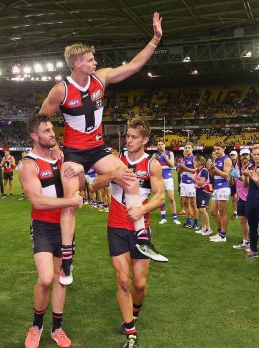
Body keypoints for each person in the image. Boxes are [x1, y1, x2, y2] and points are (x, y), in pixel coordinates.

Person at [38, 13, 164, 284]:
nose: (97, 62)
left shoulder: (101, 78)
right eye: (91, 59)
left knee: (129, 178)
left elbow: (133, 66)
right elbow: (41, 119)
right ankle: (67, 258)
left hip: (97, 149)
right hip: (73, 152)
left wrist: (155, 39)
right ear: (78, 63)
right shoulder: (60, 90)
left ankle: (142, 237)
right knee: (71, 201)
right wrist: (54, 146)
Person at [90, 117, 165, 348]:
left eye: (134, 137)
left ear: (145, 139)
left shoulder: (152, 164)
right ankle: (131, 332)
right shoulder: (115, 161)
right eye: (128, 136)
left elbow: (160, 197)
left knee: (139, 284)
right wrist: (112, 175)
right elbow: (94, 185)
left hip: (141, 230)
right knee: (123, 281)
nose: (129, 140)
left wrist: (141, 209)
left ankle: (134, 312)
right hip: (116, 228)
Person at [20, 114, 81, 348]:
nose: (52, 133)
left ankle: (57, 328)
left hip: (65, 227)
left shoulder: (61, 157)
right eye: (46, 131)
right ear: (34, 136)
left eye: (52, 129)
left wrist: (79, 171)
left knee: (60, 280)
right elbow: (38, 201)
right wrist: (70, 202)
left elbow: (79, 185)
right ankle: (36, 325)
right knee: (45, 278)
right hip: (43, 226)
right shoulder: (28, 164)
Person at [207, 142, 232, 242]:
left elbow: (226, 175)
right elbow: (213, 175)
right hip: (217, 187)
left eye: (218, 149)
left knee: (222, 212)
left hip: (223, 187)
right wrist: (210, 169)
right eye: (215, 149)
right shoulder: (216, 159)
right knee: (213, 211)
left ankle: (223, 235)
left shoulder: (227, 159)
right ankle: (220, 232)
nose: (216, 151)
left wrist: (215, 168)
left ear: (223, 148)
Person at [154, 141, 180, 224]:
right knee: (161, 198)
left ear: (164, 145)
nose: (160, 146)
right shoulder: (155, 155)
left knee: (171, 198)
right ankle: (163, 218)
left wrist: (165, 158)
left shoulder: (170, 153)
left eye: (162, 144)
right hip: (159, 179)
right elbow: (153, 167)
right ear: (157, 147)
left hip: (168, 178)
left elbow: (172, 165)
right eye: (159, 144)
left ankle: (175, 218)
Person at [231, 148, 252, 251]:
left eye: (246, 155)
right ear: (240, 156)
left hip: (250, 197)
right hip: (241, 198)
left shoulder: (252, 167)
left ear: (249, 156)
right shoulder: (237, 167)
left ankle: (252, 243)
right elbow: (233, 183)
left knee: (252, 221)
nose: (245, 156)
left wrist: (238, 176)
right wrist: (231, 176)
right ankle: (245, 241)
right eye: (243, 155)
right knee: (243, 220)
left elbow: (247, 183)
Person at [177, 142, 198, 229]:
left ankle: (196, 223)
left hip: (191, 183)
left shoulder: (195, 159)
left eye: (189, 147)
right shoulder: (184, 159)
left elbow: (195, 170)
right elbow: (178, 172)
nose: (187, 149)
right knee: (185, 203)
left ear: (192, 149)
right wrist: (180, 167)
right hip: (183, 183)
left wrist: (184, 167)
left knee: (193, 203)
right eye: (185, 147)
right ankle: (188, 222)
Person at [192, 156, 212, 236]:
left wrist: (193, 178)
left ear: (199, 162)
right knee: (201, 210)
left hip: (204, 192)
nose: (194, 163)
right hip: (199, 191)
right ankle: (204, 228)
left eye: (195, 161)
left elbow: (201, 183)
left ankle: (209, 228)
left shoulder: (204, 171)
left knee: (203, 210)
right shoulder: (198, 170)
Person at [228, 150, 238, 219]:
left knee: (235, 197)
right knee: (233, 198)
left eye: (233, 155)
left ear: (237, 156)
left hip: (239, 182)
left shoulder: (239, 163)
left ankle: (238, 212)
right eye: (231, 155)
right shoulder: (230, 163)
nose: (232, 156)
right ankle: (235, 212)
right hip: (232, 182)